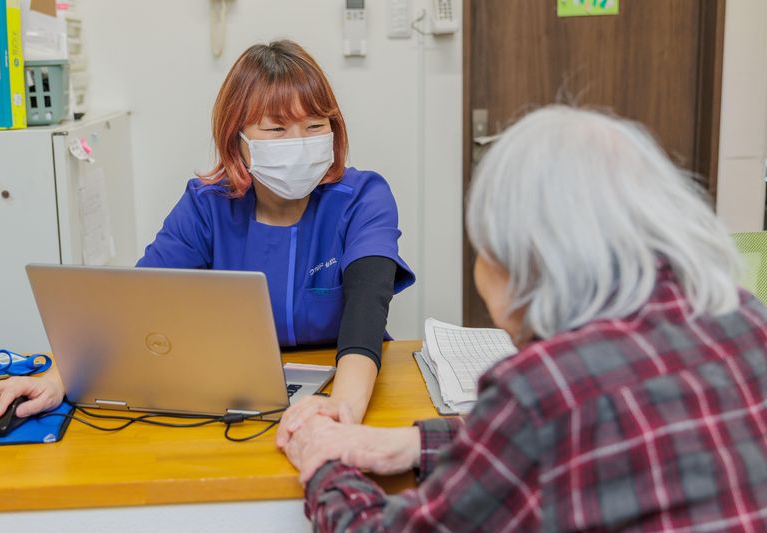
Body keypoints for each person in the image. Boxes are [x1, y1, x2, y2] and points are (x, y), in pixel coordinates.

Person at [280, 106, 767, 531]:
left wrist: (324, 464)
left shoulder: (544, 389)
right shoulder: (745, 318)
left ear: (521, 259)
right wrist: (409, 444)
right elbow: (564, 436)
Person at [0, 41, 415, 435]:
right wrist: (56, 379)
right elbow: (133, 305)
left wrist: (343, 409)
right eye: (277, 129)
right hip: (231, 393)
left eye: (315, 126)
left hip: (347, 381)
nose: (299, 142)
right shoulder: (207, 205)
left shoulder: (364, 198)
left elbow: (367, 309)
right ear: (237, 140)